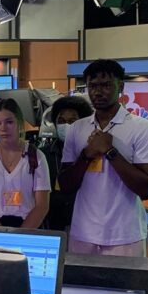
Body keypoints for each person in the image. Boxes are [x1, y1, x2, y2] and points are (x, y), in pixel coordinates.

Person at [59, 60, 148, 255]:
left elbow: (146, 188)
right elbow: (65, 185)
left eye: (105, 85)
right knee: (81, 286)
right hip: (83, 232)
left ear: (120, 87)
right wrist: (87, 154)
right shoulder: (76, 129)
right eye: (93, 86)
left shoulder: (141, 128)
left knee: (126, 286)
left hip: (124, 235)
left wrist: (110, 151)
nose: (98, 92)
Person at [0, 98, 50, 229]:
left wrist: (20, 236)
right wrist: (2, 236)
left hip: (29, 227)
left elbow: (41, 206)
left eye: (9, 122)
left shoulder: (36, 157)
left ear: (19, 123)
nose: (3, 128)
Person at [39, 94, 92, 231]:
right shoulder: (42, 155)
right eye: (61, 121)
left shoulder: (92, 153)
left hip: (87, 224)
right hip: (53, 225)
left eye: (72, 120)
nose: (66, 125)